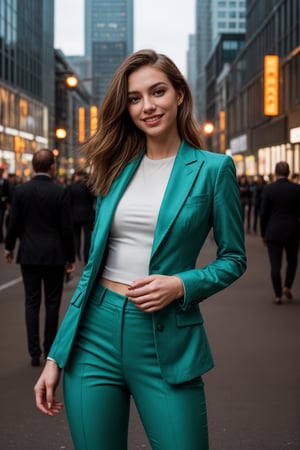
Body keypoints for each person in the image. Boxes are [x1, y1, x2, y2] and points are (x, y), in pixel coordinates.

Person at [34, 49, 246, 450]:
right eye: (134, 98)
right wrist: (55, 357)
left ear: (179, 94)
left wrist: (181, 285)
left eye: (158, 92)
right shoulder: (115, 168)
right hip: (94, 334)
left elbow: (234, 257)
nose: (147, 106)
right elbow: (93, 269)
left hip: (164, 338)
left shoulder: (214, 169)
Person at [4, 149, 76, 366]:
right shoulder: (60, 191)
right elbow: (66, 227)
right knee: (52, 303)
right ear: (52, 166)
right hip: (54, 255)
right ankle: (49, 350)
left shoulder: (21, 191)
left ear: (33, 166)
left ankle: (33, 352)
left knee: (32, 302)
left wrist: (9, 248)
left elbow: (13, 223)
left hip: (29, 253)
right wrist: (70, 257)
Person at [260, 161, 300, 304]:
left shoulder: (269, 189)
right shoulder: (297, 189)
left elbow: (263, 214)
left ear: (276, 173)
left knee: (275, 264)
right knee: (292, 260)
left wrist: (263, 234)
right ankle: (287, 285)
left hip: (273, 230)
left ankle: (277, 295)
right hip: (293, 230)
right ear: (289, 173)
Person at [66, 168, 95, 264]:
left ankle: (76, 255)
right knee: (87, 238)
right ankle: (86, 257)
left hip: (74, 216)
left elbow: (68, 202)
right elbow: (93, 199)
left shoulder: (70, 187)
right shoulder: (88, 186)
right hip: (87, 215)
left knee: (76, 237)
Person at [0, 167, 9, 242]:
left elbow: (8, 192)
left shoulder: (5, 182)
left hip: (2, 205)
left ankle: (1, 237)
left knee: (1, 220)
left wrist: (6, 201)